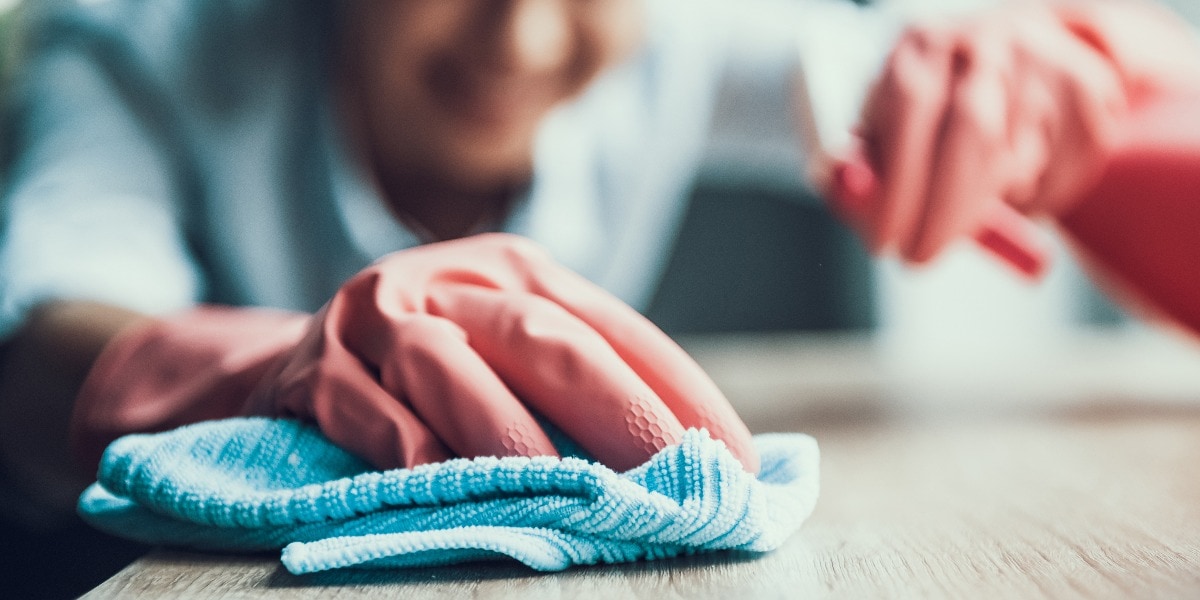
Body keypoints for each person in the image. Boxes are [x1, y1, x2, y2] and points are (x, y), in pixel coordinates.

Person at [0, 0, 1198, 520]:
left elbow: (979, 93)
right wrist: (276, 370)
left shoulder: (675, 36)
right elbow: (37, 344)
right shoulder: (136, 43)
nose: (520, 38)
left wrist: (1072, 65)